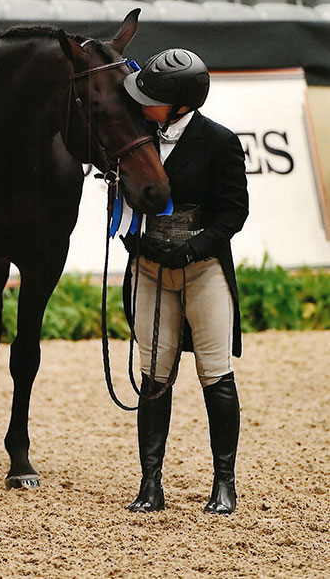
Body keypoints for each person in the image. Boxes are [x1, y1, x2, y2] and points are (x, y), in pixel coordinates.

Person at [121, 47, 248, 515]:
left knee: (215, 375)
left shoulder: (219, 141)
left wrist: (193, 247)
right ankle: (150, 483)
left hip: (203, 270)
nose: (140, 104)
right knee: (153, 376)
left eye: (150, 98)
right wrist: (136, 244)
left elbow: (235, 211)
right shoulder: (135, 140)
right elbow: (123, 207)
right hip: (151, 272)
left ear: (179, 103)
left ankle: (224, 482)